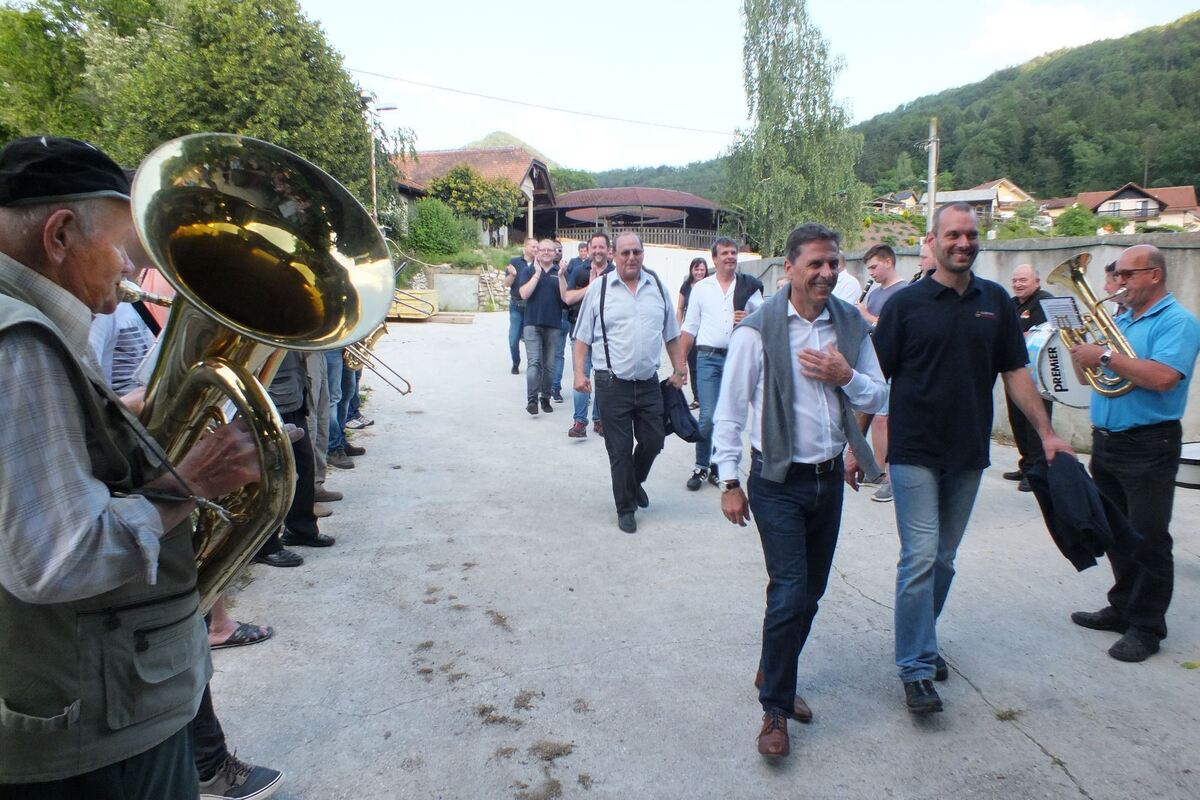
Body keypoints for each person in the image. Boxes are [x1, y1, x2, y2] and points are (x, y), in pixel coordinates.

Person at [0, 136, 283, 795]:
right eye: (125, 246)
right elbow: (57, 559)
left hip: (86, 703)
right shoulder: (23, 343)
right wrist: (195, 482)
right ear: (61, 235)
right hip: (90, 725)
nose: (131, 266)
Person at [868, 201, 1072, 715]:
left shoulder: (997, 302)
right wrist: (859, 446)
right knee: (919, 556)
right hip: (913, 449)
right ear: (932, 241)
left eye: (971, 235)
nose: (964, 242)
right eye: (953, 234)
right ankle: (915, 667)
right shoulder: (905, 305)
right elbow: (874, 382)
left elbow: (1016, 372)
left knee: (943, 558)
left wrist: (1046, 434)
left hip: (967, 452)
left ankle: (921, 638)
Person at [713, 222, 887, 759]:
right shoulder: (758, 330)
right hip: (776, 481)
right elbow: (731, 408)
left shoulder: (849, 326)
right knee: (789, 590)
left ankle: (774, 665)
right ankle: (776, 709)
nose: (827, 273)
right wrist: (729, 480)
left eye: (834, 263)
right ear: (788, 268)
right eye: (815, 263)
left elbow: (879, 394)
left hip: (828, 479)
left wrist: (845, 375)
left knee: (810, 593)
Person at [1066, 243, 1200, 663]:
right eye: (1117, 275)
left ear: (1154, 275)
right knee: (1117, 532)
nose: (1118, 283)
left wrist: (1104, 354)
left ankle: (1147, 626)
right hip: (1107, 440)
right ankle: (1123, 607)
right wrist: (1079, 350)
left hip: (1149, 443)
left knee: (1148, 537)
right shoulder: (1121, 318)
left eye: (1127, 275)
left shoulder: (1178, 321)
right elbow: (1088, 379)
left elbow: (1162, 377)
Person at [572, 231, 686, 533]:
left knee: (654, 440)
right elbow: (581, 337)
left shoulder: (657, 287)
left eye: (636, 252)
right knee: (619, 450)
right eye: (625, 253)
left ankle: (634, 483)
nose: (631, 257)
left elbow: (671, 334)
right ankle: (625, 507)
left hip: (648, 382)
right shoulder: (600, 289)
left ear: (643, 254)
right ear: (613, 255)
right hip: (611, 383)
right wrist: (579, 373)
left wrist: (679, 368)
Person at [677, 237, 763, 490]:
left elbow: (765, 319)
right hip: (707, 358)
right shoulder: (702, 288)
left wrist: (749, 317)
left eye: (733, 252)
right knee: (707, 417)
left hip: (737, 358)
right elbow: (690, 327)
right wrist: (680, 363)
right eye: (724, 253)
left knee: (728, 418)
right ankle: (701, 466)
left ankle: (718, 468)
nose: (730, 257)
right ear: (714, 259)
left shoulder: (749, 287)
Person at [854, 243, 907, 503]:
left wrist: (865, 314)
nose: (871, 272)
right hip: (872, 363)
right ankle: (873, 469)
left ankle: (886, 476)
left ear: (888, 262)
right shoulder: (874, 293)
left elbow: (887, 327)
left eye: (874, 266)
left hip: (891, 366)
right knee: (874, 417)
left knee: (883, 420)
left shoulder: (904, 293)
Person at [1004, 263, 1055, 491]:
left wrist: (1017, 337)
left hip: (1039, 376)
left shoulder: (1045, 301)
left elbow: (1044, 333)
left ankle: (1038, 471)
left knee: (1035, 422)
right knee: (1017, 421)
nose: (1017, 284)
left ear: (1037, 280)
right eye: (1015, 280)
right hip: (1015, 371)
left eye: (1023, 280)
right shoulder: (1012, 304)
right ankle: (1026, 465)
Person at [560, 232, 612, 438]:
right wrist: (591, 287)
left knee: (601, 378)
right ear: (589, 249)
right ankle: (580, 421)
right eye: (594, 247)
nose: (598, 251)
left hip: (605, 337)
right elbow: (568, 297)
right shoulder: (579, 270)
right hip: (579, 333)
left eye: (602, 247)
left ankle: (599, 419)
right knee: (580, 375)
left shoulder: (615, 273)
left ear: (608, 250)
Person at [518, 239, 565, 415]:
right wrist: (537, 274)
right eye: (542, 249)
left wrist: (561, 275)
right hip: (532, 323)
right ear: (537, 252)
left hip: (553, 324)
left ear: (555, 253)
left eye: (550, 250)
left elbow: (565, 297)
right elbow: (523, 294)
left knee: (549, 365)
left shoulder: (559, 272)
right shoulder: (528, 270)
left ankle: (545, 398)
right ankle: (532, 400)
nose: (546, 252)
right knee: (534, 362)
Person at [676, 257, 709, 408]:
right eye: (696, 269)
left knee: (706, 364)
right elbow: (680, 308)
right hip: (691, 331)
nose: (699, 272)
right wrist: (678, 328)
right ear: (691, 270)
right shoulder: (686, 286)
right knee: (693, 365)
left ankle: (707, 396)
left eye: (702, 269)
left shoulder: (711, 284)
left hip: (707, 331)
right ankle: (697, 398)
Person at [504, 238, 537, 375]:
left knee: (532, 339)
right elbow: (506, 284)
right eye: (532, 246)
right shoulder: (515, 262)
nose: (535, 249)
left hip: (532, 306)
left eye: (537, 247)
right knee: (513, 338)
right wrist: (512, 275)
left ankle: (533, 365)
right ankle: (515, 362)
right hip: (516, 305)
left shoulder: (540, 264)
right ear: (525, 247)